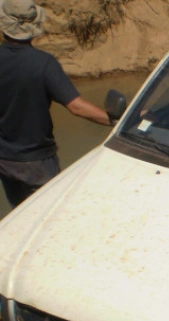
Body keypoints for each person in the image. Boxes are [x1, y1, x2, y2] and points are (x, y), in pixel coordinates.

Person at [0, 0, 113, 209]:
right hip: (37, 161)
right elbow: (76, 106)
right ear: (33, 26)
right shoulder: (44, 63)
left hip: (5, 160)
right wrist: (116, 119)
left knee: (21, 214)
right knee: (48, 216)